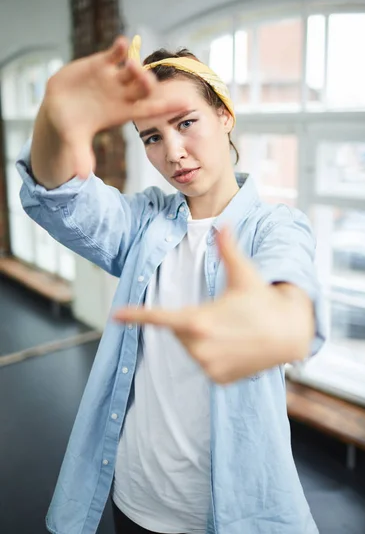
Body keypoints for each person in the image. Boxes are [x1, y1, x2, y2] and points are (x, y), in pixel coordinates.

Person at [16, 35, 325, 534]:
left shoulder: (276, 227)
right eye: (153, 137)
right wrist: (55, 114)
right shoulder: (144, 223)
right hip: (134, 500)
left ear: (224, 115)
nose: (174, 152)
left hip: (228, 515)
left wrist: (279, 326)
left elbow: (292, 300)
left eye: (186, 124)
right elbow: (60, 196)